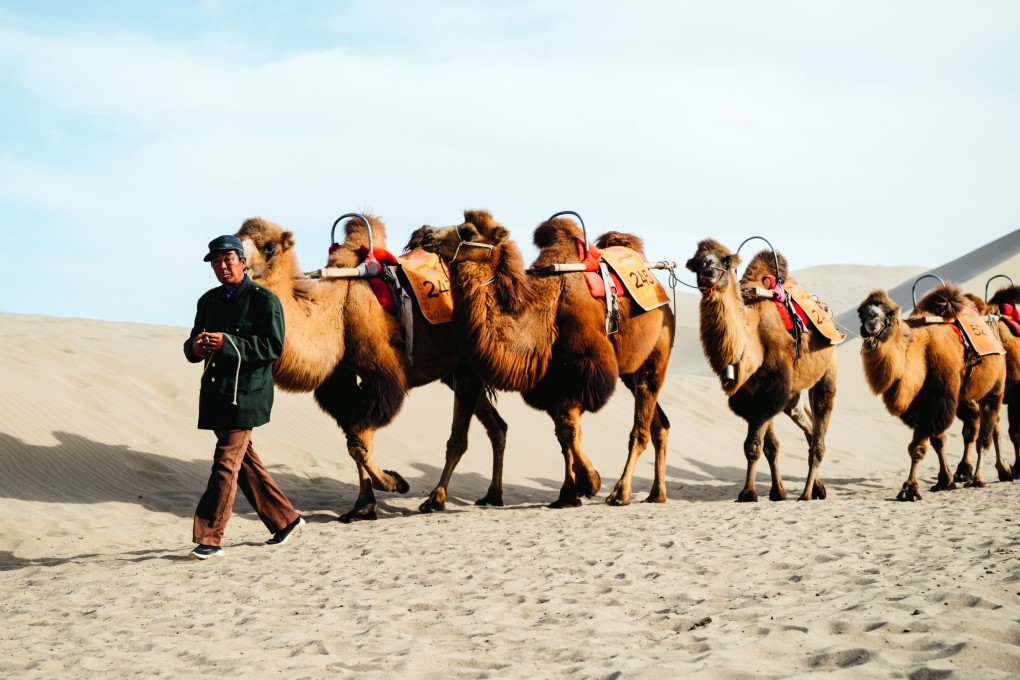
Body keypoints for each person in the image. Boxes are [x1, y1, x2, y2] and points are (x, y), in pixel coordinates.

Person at [183, 234, 303, 560]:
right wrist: (195, 347)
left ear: (242, 261)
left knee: (225, 464)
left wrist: (229, 343)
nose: (223, 266)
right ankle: (286, 520)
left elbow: (273, 347)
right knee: (243, 462)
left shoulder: (264, 300)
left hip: (246, 395)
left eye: (228, 260)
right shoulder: (207, 301)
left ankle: (209, 537)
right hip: (215, 393)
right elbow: (192, 344)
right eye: (216, 262)